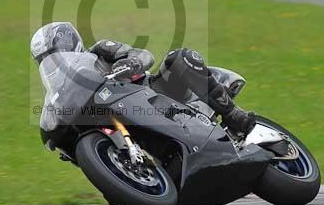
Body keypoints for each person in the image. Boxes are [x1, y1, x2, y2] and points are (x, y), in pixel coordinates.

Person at [30, 22, 256, 140]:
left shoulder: (98, 52)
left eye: (54, 52)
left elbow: (142, 54)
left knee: (179, 57)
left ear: (68, 42)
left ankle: (233, 115)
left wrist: (129, 64)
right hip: (118, 116)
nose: (52, 60)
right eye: (44, 59)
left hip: (153, 94)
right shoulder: (61, 91)